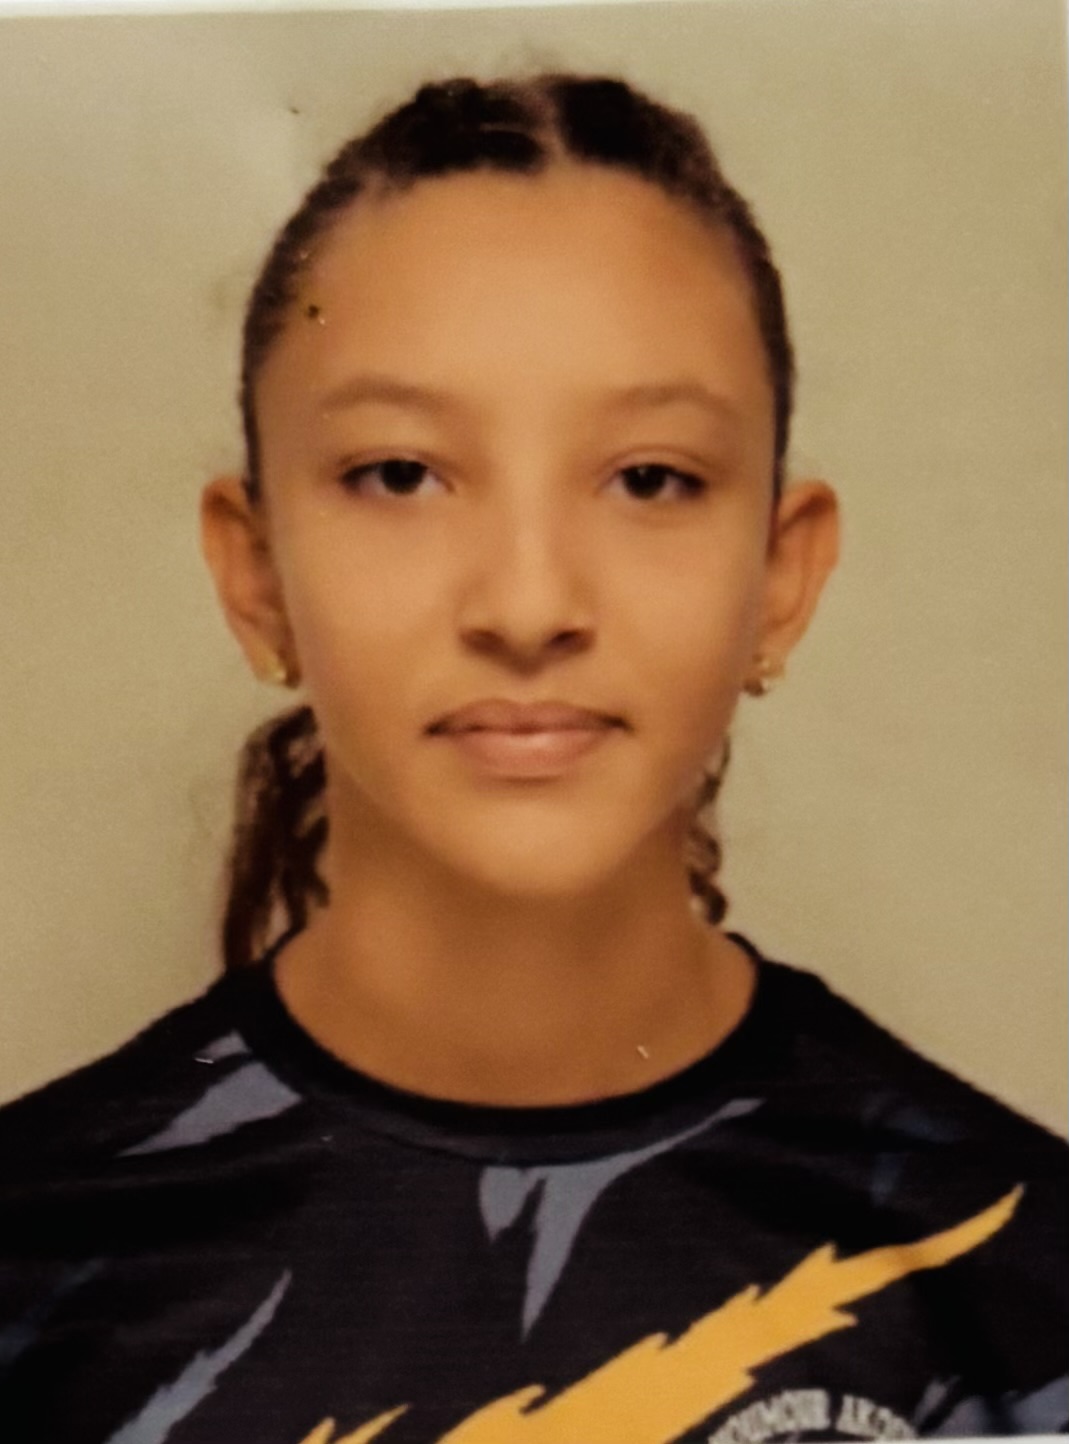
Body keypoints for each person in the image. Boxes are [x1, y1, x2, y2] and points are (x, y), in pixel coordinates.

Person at [0, 73, 1064, 1444]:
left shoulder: (1018, 1280)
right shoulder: (35, 1273)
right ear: (255, 575)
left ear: (781, 575)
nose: (526, 603)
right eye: (399, 474)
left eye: (650, 479)